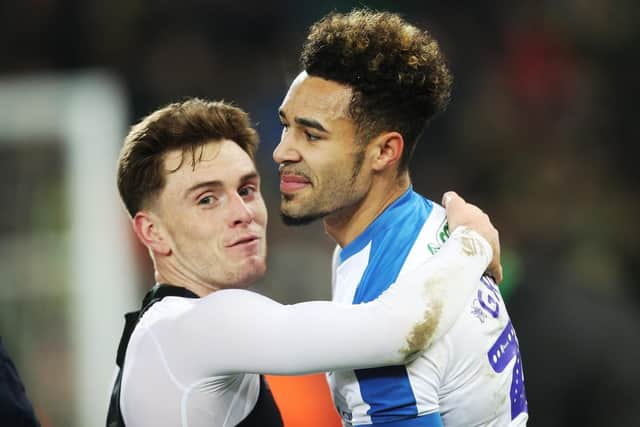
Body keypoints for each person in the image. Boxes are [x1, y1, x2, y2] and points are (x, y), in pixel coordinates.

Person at [107, 98, 502, 427]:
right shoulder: (193, 326)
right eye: (207, 199)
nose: (243, 212)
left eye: (246, 189)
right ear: (152, 232)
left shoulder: (161, 331)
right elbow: (397, 331)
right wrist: (471, 241)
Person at [273, 9, 528, 426]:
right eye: (286, 127)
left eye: (312, 135)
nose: (282, 151)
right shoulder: (433, 225)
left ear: (384, 152)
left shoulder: (380, 308)